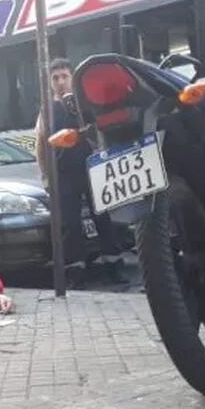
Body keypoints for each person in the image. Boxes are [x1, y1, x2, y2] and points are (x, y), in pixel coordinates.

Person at [34, 58, 126, 289]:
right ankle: (76, 272)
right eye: (55, 78)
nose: (61, 82)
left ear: (72, 77)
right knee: (70, 225)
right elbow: (40, 143)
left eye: (64, 76)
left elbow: (101, 130)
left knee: (104, 218)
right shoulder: (47, 108)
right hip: (63, 173)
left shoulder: (84, 101)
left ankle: (112, 266)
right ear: (50, 82)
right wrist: (45, 175)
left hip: (92, 167)